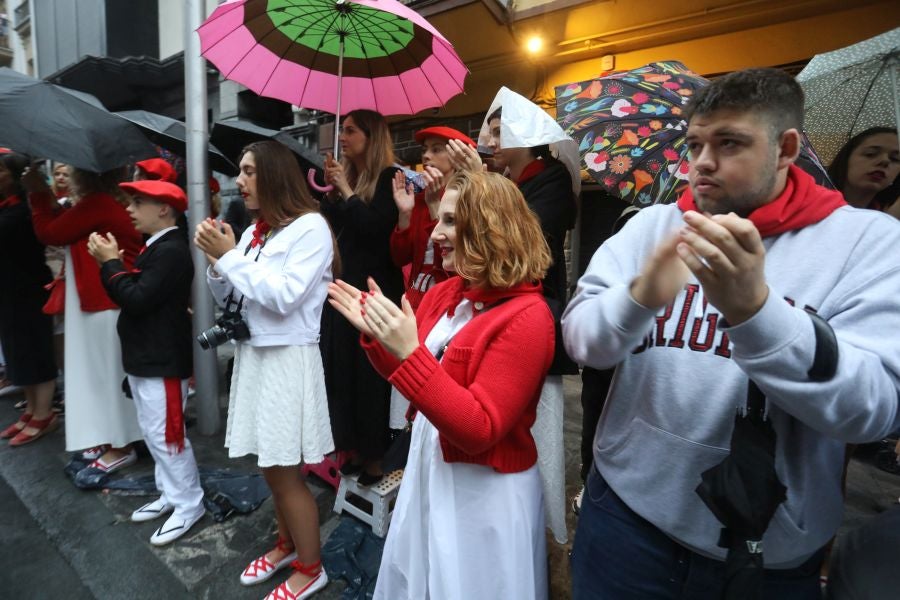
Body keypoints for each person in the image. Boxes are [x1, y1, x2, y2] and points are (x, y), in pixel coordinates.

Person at [562, 68, 900, 599]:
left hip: (769, 552)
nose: (702, 162)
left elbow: (875, 410)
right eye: (694, 143)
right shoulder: (651, 227)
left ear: (786, 148)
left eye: (730, 143)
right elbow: (582, 343)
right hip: (626, 520)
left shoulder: (869, 244)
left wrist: (758, 314)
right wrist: (638, 298)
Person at [327, 170, 555, 600]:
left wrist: (409, 354)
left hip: (484, 493)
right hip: (431, 468)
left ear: (489, 225)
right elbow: (407, 377)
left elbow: (479, 428)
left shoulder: (528, 317)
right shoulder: (446, 293)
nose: (436, 235)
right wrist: (380, 339)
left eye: (451, 221)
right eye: (439, 222)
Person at [195, 141, 335, 600]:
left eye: (250, 170)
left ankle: (311, 568)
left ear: (275, 176)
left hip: (286, 361)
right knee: (271, 466)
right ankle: (286, 546)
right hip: (256, 356)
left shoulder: (311, 228)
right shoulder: (260, 233)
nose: (240, 180)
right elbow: (236, 300)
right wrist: (220, 264)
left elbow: (283, 296)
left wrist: (231, 258)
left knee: (282, 470)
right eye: (241, 170)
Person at [87, 179, 205, 545]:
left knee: (168, 436)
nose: (129, 209)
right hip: (148, 358)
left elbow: (136, 299)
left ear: (164, 209)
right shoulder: (157, 247)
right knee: (156, 433)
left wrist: (109, 263)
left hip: (161, 360)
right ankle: (172, 493)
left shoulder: (171, 251)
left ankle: (189, 503)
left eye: (137, 202)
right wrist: (113, 265)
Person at [26, 165, 144, 474]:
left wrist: (38, 193)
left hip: (105, 298)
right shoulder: (107, 201)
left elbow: (50, 232)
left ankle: (122, 443)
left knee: (108, 374)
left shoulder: (97, 204)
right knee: (107, 374)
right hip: (106, 296)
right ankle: (114, 436)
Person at [321, 109, 404, 486]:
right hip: (344, 290)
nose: (343, 136)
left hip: (374, 293)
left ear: (371, 137)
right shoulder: (350, 178)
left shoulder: (390, 178)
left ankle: (375, 456)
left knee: (370, 377)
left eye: (351, 131)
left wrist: (349, 192)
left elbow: (375, 231)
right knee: (343, 373)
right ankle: (351, 447)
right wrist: (332, 191)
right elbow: (338, 230)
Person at [387, 126, 475, 429]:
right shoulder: (420, 197)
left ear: (458, 154)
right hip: (416, 299)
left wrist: (439, 209)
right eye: (425, 149)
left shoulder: (470, 199)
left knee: (434, 382)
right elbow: (399, 256)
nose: (426, 155)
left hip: (446, 302)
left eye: (437, 148)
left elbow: (456, 266)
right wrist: (405, 215)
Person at [0, 153, 58, 445]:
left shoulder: (24, 211)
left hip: (30, 290)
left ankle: (44, 413)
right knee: (18, 352)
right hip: (9, 292)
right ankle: (32, 409)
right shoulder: (9, 209)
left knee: (35, 350)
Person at [827, 127, 900, 210]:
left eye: (895, 159)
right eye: (871, 154)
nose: (885, 161)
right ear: (846, 159)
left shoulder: (890, 218)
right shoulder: (813, 204)